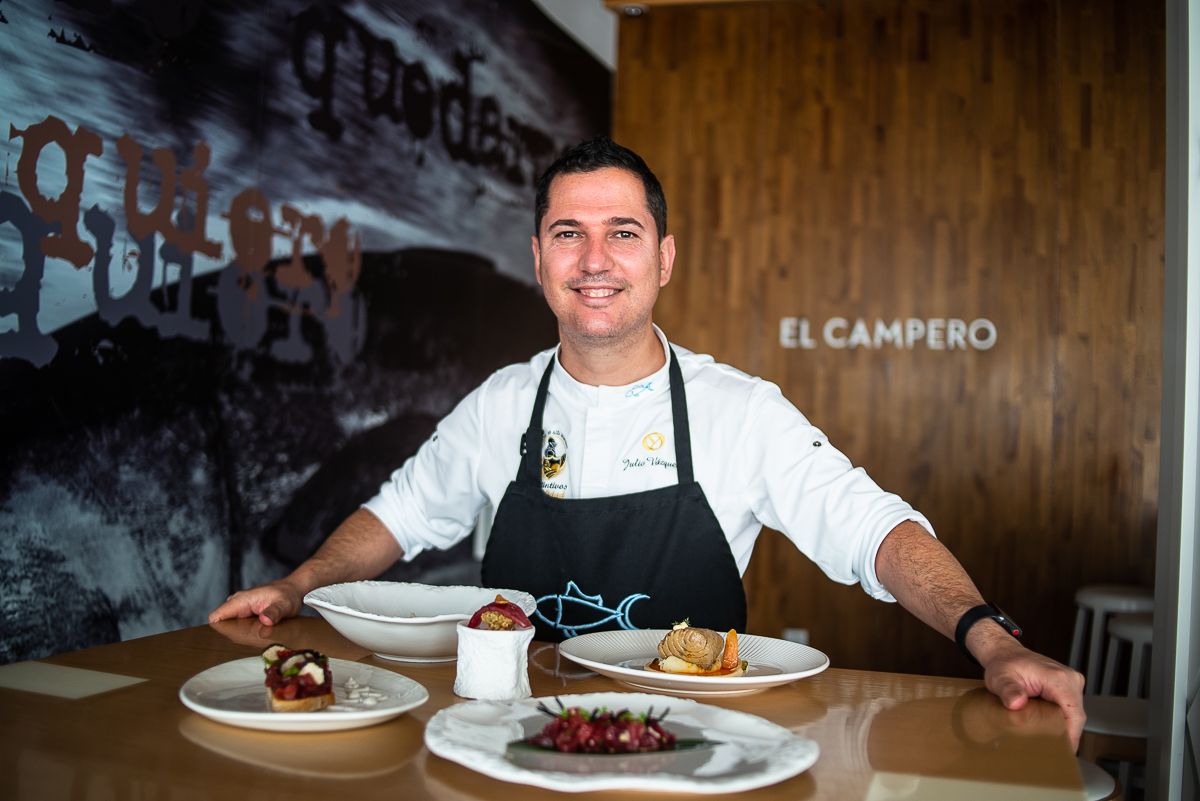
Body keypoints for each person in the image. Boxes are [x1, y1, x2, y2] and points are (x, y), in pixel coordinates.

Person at [210, 137, 1086, 748]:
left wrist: (991, 638)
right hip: (508, 747)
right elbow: (396, 516)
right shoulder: (501, 404)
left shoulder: (740, 409)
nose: (595, 259)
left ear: (663, 258)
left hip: (696, 754)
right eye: (569, 234)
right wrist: (299, 584)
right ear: (540, 256)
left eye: (621, 233)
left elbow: (875, 531)